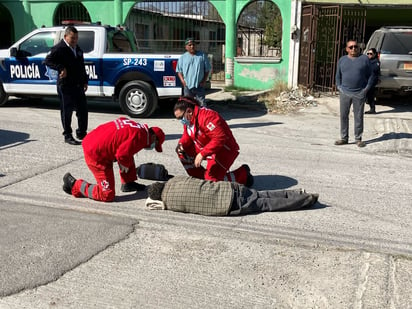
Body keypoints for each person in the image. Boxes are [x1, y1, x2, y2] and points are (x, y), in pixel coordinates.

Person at [62, 117, 165, 202]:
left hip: (92, 141)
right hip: (96, 155)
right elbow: (122, 154)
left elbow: (124, 148)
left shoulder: (137, 127)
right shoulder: (141, 137)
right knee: (107, 195)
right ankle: (75, 184)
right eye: (155, 145)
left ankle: (128, 183)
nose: (152, 147)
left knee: (129, 154)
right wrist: (123, 162)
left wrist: (124, 161)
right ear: (153, 137)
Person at [174, 96, 253, 186]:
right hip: (207, 148)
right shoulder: (189, 119)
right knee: (182, 153)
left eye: (180, 118)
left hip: (222, 150)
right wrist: (181, 144)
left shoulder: (207, 117)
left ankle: (243, 175)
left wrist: (202, 154)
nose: (181, 121)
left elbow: (219, 138)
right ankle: (200, 179)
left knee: (211, 183)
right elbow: (187, 134)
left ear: (189, 111)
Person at [145, 176, 319, 216]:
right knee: (262, 194)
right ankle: (297, 193)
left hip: (229, 205)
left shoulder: (169, 203)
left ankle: (306, 200)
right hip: (230, 189)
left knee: (266, 204)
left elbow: (153, 205)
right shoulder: (176, 180)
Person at [45, 26, 88, 145]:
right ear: (65, 37)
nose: (74, 41)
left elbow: (81, 65)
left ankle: (82, 132)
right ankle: (68, 135)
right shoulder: (59, 48)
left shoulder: (77, 48)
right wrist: (61, 68)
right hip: (66, 85)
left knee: (83, 110)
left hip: (78, 84)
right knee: (67, 111)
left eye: (76, 38)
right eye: (72, 38)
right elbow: (47, 61)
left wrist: (85, 80)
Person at [335, 40, 374, 148]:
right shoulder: (342, 60)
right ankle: (344, 138)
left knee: (358, 116)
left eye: (355, 46)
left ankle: (358, 139)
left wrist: (366, 89)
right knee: (343, 116)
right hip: (345, 92)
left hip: (359, 93)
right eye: (351, 47)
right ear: (347, 49)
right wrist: (339, 87)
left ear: (359, 48)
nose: (353, 49)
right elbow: (338, 76)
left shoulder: (364, 59)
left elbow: (371, 75)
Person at [176, 37, 211, 107]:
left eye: (193, 45)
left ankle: (202, 117)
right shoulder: (183, 57)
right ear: (186, 47)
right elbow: (179, 71)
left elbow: (207, 70)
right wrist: (183, 82)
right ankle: (189, 118)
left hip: (199, 85)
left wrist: (203, 81)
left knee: (202, 104)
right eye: (190, 45)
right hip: (187, 86)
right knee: (188, 104)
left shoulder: (202, 56)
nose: (192, 46)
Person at [365, 48, 380, 114]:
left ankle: (372, 109)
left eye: (371, 53)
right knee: (369, 95)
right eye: (368, 53)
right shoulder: (367, 61)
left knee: (368, 94)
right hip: (367, 79)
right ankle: (372, 109)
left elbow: (374, 69)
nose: (369, 55)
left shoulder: (376, 61)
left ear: (374, 54)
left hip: (372, 80)